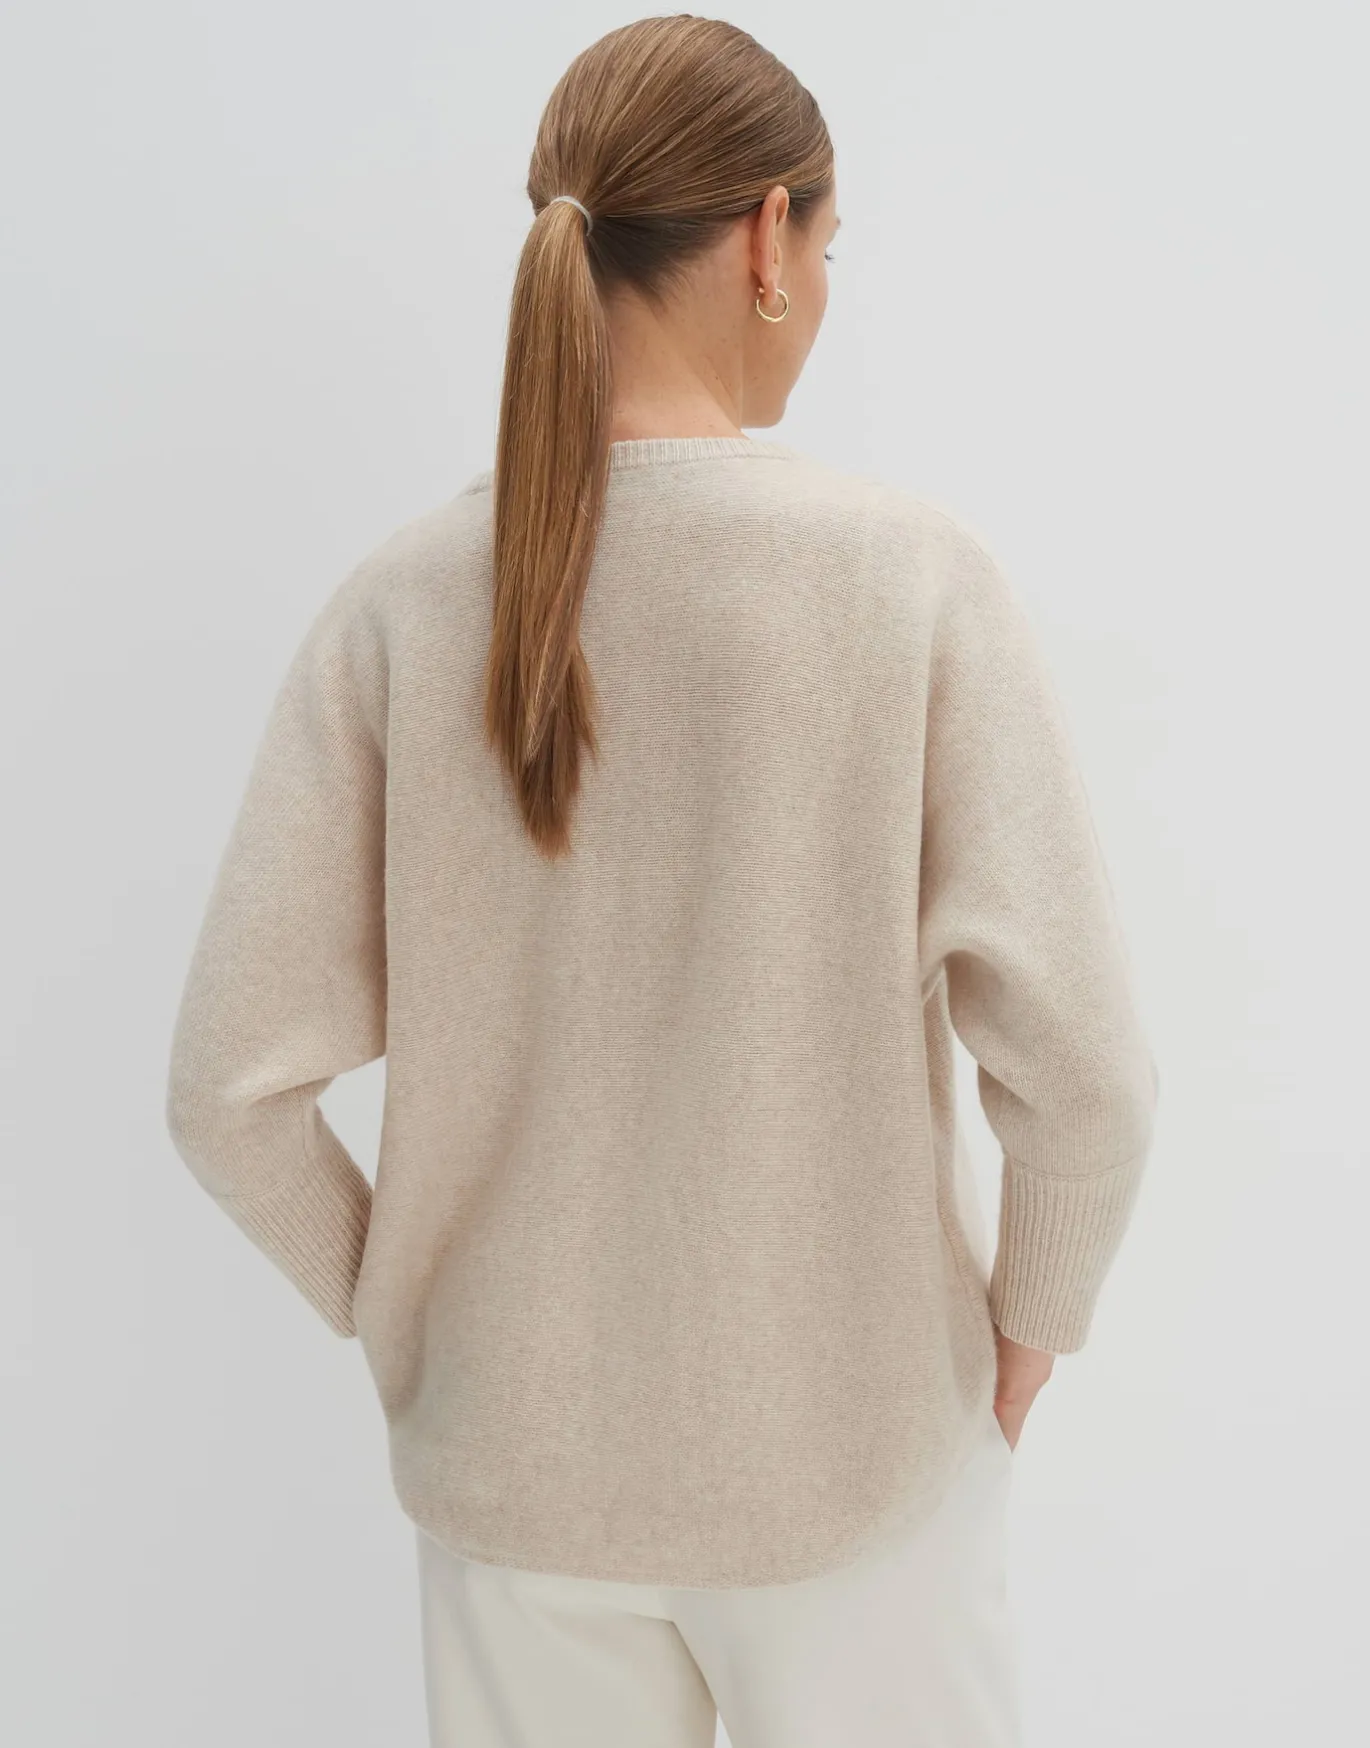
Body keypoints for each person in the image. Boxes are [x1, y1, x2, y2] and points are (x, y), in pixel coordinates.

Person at [164, 15, 1159, 1747]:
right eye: (829, 247)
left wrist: (414, 1314)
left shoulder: (403, 604)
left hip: (512, 1493)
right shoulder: (903, 582)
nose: (823, 291)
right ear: (766, 238)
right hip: (851, 1467)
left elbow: (223, 1093)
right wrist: (1031, 1323)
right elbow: (1084, 1075)